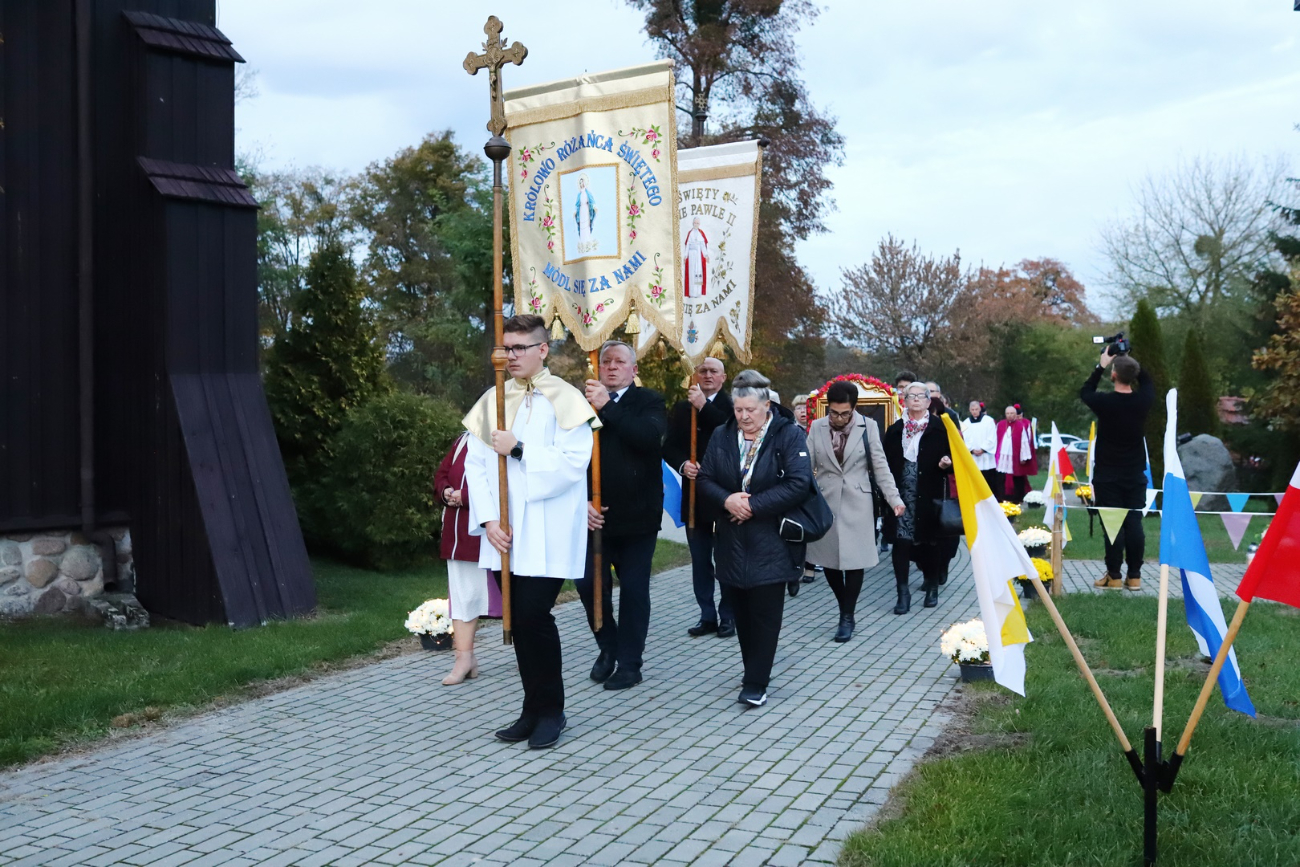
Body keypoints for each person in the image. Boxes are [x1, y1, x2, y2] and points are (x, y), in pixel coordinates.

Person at [463, 314, 597, 749]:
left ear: (543, 349)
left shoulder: (566, 398)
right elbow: (475, 465)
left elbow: (574, 463)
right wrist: (489, 521)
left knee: (534, 616)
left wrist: (518, 449)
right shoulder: (493, 398)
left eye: (519, 348)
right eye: (506, 347)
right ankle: (531, 709)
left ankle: (552, 711)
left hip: (548, 531)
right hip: (505, 533)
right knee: (519, 621)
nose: (510, 356)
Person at [697, 370, 812, 707]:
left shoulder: (788, 434)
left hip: (771, 539)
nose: (744, 416)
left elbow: (798, 483)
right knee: (742, 614)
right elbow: (704, 478)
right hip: (731, 540)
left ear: (767, 407)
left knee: (765, 615)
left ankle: (756, 682)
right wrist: (727, 500)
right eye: (738, 410)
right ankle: (753, 670)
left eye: (750, 410)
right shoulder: (722, 434)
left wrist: (753, 506)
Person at [577, 341, 667, 690]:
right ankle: (608, 646)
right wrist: (582, 502)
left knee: (633, 590)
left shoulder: (649, 401)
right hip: (592, 517)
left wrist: (608, 407)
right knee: (589, 585)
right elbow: (569, 459)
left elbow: (648, 438)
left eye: (619, 362)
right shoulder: (580, 404)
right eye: (606, 362)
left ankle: (630, 663)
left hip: (637, 518)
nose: (612, 367)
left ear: (633, 369)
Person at [806, 381, 904, 641]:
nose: (838, 418)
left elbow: (880, 467)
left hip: (858, 503)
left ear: (854, 408)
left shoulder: (868, 426)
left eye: (845, 413)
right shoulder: (817, 427)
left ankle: (847, 616)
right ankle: (844, 606)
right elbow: (805, 467)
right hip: (825, 502)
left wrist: (894, 499)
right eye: (834, 413)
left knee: (855, 561)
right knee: (828, 561)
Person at [664, 356, 735, 638]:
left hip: (724, 496)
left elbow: (731, 434)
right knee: (700, 561)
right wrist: (683, 464)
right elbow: (669, 446)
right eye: (702, 370)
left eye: (713, 371)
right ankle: (707, 614)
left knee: (726, 561)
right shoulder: (683, 408)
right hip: (694, 497)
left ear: (723, 377)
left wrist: (704, 407)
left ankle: (728, 615)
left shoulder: (733, 406)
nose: (707, 375)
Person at [434, 431, 503, 685]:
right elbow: (442, 474)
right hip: (458, 532)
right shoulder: (464, 439)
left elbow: (506, 484)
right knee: (463, 595)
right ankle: (464, 659)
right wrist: (446, 491)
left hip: (491, 533)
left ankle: (528, 655)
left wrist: (465, 496)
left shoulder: (506, 437)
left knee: (514, 597)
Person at [1081, 350, 1153, 590]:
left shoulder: (1105, 402)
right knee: (1134, 523)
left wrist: (1101, 364)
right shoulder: (1143, 401)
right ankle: (1135, 576)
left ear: (1113, 375)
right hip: (1134, 474)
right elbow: (1148, 382)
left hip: (1108, 476)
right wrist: (1130, 360)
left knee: (1113, 526)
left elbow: (1085, 392)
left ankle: (1114, 576)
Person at [882, 382, 954, 613]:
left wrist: (947, 463)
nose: (915, 399)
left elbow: (955, 460)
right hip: (901, 497)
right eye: (910, 395)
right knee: (901, 543)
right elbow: (883, 464)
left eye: (920, 396)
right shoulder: (895, 430)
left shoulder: (940, 428)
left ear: (928, 401)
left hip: (929, 496)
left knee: (930, 544)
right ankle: (902, 593)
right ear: (904, 401)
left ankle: (932, 586)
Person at [995, 404, 1038, 503]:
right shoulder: (1000, 424)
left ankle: (1017, 498)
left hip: (1015, 455)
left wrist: (1023, 457)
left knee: (1017, 477)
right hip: (1002, 455)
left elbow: (1024, 442)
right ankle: (1002, 497)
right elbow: (995, 439)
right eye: (1008, 413)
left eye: (1012, 413)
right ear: (1005, 414)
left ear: (1015, 414)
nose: (1010, 415)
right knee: (1001, 477)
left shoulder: (1020, 426)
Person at [962, 400, 999, 493]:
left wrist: (983, 449)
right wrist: (971, 449)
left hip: (986, 457)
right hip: (973, 456)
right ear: (969, 410)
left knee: (989, 482)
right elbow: (965, 439)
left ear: (980, 409)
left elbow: (992, 437)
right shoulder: (965, 423)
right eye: (972, 409)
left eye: (976, 409)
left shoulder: (989, 421)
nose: (974, 411)